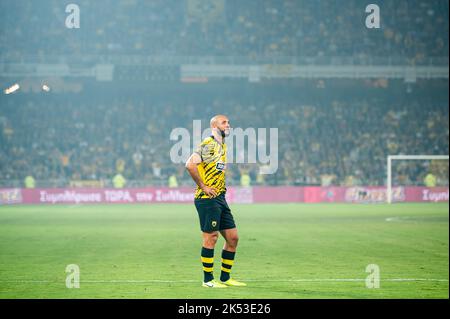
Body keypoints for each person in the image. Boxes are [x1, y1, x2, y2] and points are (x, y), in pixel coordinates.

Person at [185, 115, 246, 288]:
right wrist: (203, 186)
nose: (228, 125)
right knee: (211, 237)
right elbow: (190, 164)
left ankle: (225, 278)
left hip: (219, 197)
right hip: (207, 198)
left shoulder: (222, 146)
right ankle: (208, 280)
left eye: (228, 122)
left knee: (233, 238)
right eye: (224, 123)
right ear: (214, 126)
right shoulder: (208, 144)